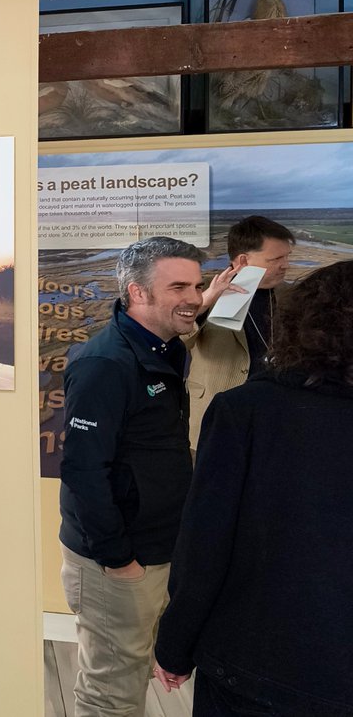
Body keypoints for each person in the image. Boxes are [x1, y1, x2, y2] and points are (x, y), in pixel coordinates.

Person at [154, 260, 353, 716]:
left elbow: (206, 542)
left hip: (255, 663)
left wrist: (175, 643)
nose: (282, 263)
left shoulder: (249, 412)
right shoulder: (230, 310)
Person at [59, 236, 205, 716]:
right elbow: (83, 471)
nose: (194, 299)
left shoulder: (164, 348)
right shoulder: (106, 363)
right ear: (137, 292)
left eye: (198, 287)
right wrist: (119, 560)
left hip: (157, 547)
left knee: (132, 672)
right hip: (118, 561)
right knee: (111, 696)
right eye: (179, 287)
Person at [184, 216, 295, 448]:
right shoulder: (199, 291)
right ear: (243, 260)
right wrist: (202, 305)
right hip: (217, 409)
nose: (286, 265)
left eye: (287, 257)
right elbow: (176, 342)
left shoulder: (291, 295)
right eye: (276, 258)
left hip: (275, 411)